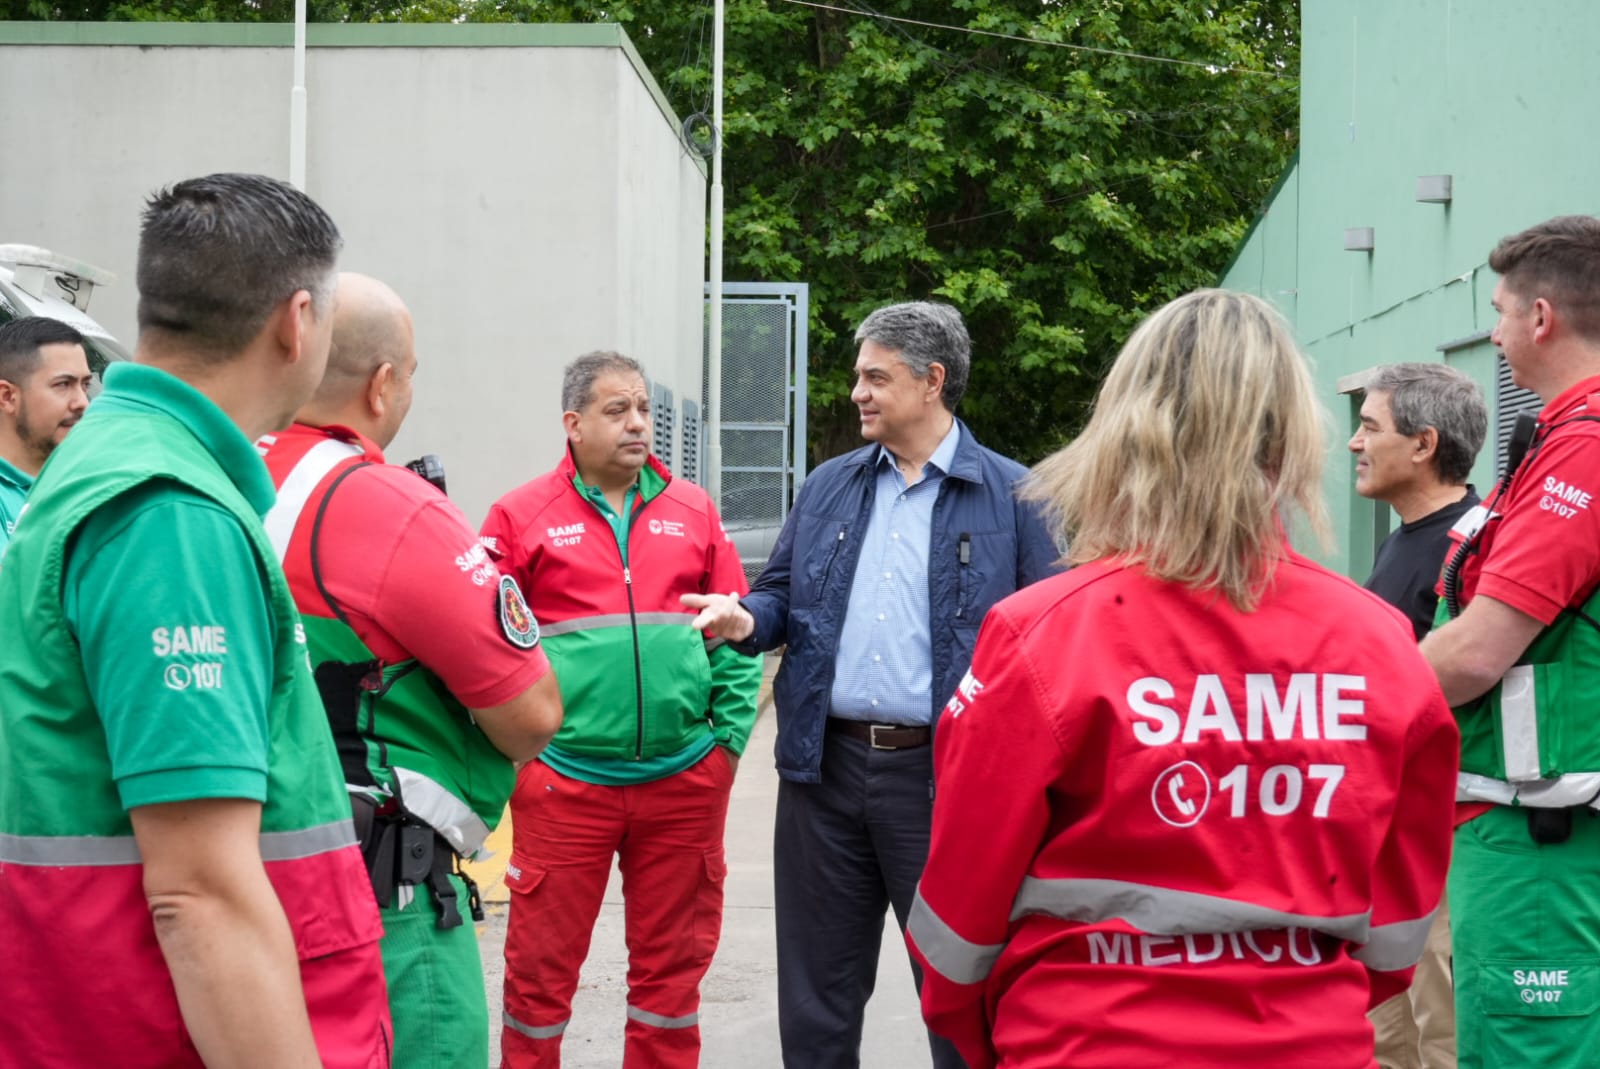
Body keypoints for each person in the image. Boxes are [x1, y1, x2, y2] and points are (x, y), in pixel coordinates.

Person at [902, 289, 1459, 1069]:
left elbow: (958, 918)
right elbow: (1398, 930)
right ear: (1290, 440)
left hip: (1083, 1042)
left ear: (1125, 428)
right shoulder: (1382, 644)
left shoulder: (1043, 634)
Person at [0, 173, 392, 1066]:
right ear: (298, 321)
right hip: (161, 1030)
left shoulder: (118, 461)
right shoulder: (170, 514)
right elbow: (200, 892)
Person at [686, 300, 1059, 1069]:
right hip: (824, 773)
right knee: (817, 997)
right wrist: (744, 617)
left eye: (875, 376)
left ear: (932, 381)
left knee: (960, 992)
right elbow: (782, 595)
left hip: (948, 781)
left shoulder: (1019, 498)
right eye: (857, 374)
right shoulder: (830, 486)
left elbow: (1050, 645)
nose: (857, 390)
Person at [257, 272, 564, 1067]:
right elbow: (530, 712)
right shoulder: (389, 507)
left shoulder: (207, 479)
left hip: (227, 882)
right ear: (382, 382)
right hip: (382, 905)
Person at [482, 350, 762, 1069]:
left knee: (670, 986)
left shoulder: (694, 511)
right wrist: (521, 756)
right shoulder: (520, 517)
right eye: (618, 410)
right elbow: (487, 649)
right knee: (538, 985)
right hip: (565, 782)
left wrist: (726, 744)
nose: (639, 423)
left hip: (683, 786)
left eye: (642, 408)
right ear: (573, 424)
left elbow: (736, 633)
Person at [1420, 215, 1600, 1069]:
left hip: (1541, 846)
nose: (1491, 332)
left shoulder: (1582, 453)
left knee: (1526, 1052)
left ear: (1541, 317)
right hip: (1542, 833)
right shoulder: (1562, 440)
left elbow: (1480, 649)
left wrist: (1337, 693)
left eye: (1497, 312)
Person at [1349, 361, 1486, 1069]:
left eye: (1369, 426)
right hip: (1385, 826)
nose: (1354, 443)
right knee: (1382, 1029)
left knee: (1443, 1026)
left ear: (1424, 443)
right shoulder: (1401, 538)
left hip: (1444, 832)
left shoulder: (1477, 543)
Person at [0, 314, 92, 555]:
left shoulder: (83, 484)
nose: (82, 402)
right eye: (63, 384)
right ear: (7, 397)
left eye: (85, 385)